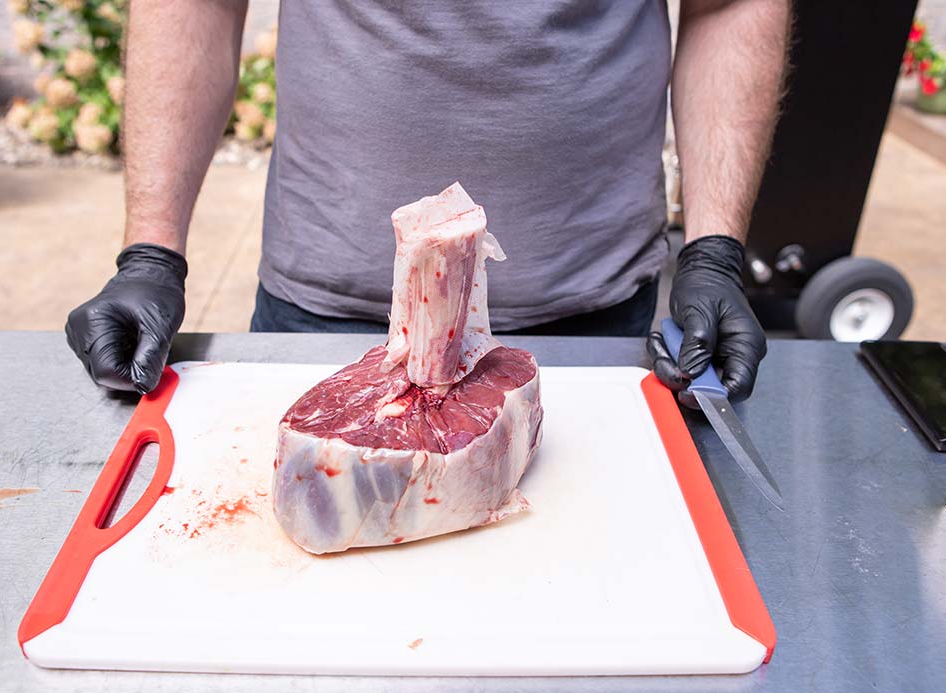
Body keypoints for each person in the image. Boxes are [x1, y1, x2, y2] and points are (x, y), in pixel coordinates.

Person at [66, 0, 789, 403]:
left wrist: (715, 251)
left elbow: (729, 6)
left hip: (590, 312)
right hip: (329, 313)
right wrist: (152, 254)